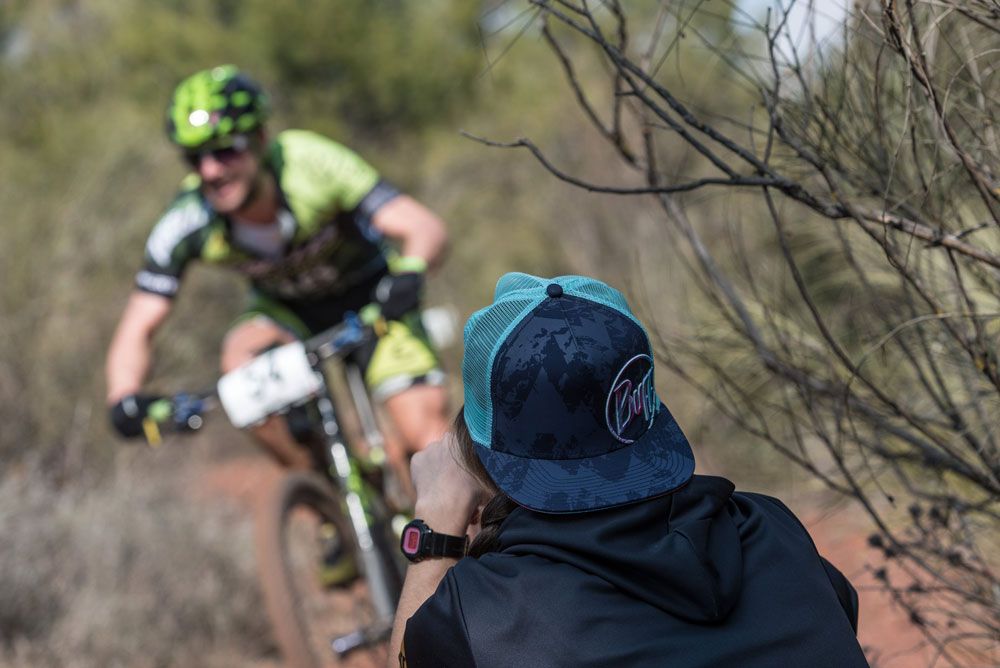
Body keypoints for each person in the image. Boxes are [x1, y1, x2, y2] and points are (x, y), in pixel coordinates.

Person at [389, 272, 869, 668]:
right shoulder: (771, 529)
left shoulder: (482, 616)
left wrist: (434, 528)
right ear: (644, 414)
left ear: (480, 453)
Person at [105, 65, 450, 493]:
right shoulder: (188, 220)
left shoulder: (310, 163)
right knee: (237, 366)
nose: (211, 171)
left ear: (261, 140)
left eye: (226, 150)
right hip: (287, 313)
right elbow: (139, 324)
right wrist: (124, 397)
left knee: (426, 438)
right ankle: (334, 498)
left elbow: (424, 227)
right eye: (196, 158)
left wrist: (412, 271)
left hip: (373, 299)